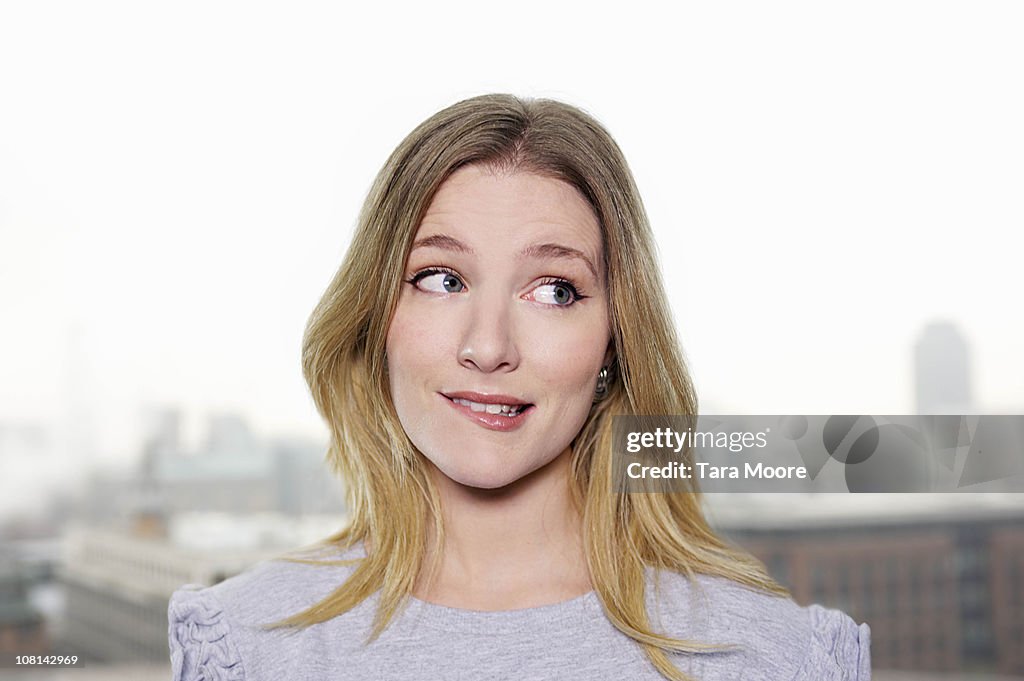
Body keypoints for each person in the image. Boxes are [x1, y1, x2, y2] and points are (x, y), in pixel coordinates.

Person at [167, 94, 871, 681]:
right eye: (441, 278)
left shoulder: (769, 656)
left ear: (615, 339)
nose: (489, 346)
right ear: (376, 315)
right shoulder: (248, 645)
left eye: (555, 289)